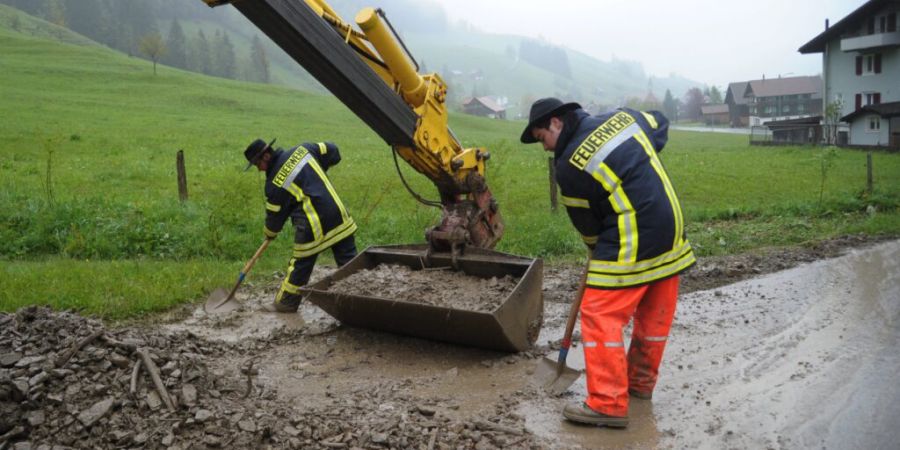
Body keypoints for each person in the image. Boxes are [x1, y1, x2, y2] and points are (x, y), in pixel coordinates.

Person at [520, 98, 695, 428]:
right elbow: (660, 124)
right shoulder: (624, 118)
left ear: (556, 123)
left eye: (542, 138)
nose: (545, 148)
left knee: (599, 311)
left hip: (633, 234)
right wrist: (638, 169)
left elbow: (589, 230)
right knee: (654, 311)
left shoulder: (570, 166)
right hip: (670, 224)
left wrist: (595, 253)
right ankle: (640, 386)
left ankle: (608, 403)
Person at [243, 138, 358, 313]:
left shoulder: (274, 183)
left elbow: (274, 219)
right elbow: (333, 151)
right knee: (350, 262)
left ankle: (287, 303)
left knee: (301, 265)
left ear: (266, 156)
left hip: (312, 225)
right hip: (338, 213)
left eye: (257, 163)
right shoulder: (304, 149)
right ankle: (362, 294)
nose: (258, 169)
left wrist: (270, 233)